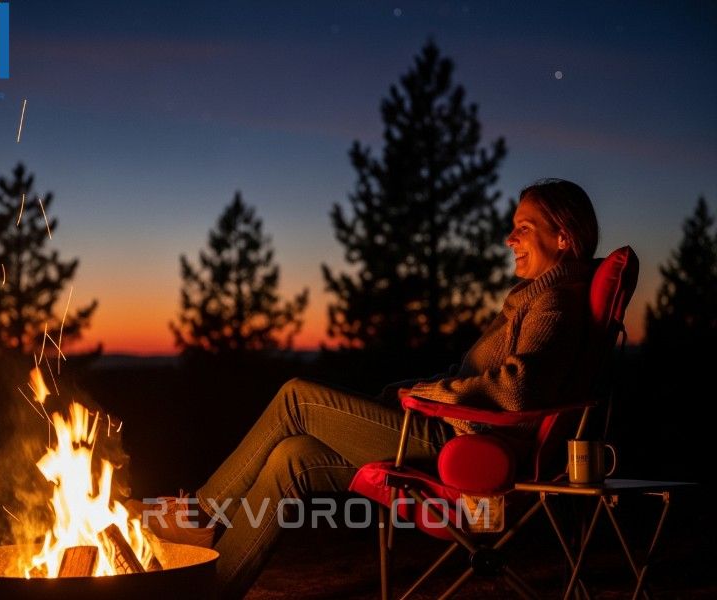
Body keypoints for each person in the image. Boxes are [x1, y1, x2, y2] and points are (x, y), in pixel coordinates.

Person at [131, 178, 600, 599]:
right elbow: (490, 378)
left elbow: (518, 389)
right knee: (291, 458)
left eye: (524, 227)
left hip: (462, 445)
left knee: (296, 396)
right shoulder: (536, 298)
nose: (509, 238)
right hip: (455, 434)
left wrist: (431, 396)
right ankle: (211, 590)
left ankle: (198, 515)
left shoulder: (554, 302)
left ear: (563, 237)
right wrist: (414, 389)